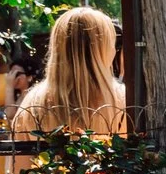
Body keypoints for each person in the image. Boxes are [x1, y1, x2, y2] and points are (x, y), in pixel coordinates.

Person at [13, 7, 126, 135]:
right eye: (111, 43)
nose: (113, 50)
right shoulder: (124, 101)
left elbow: (18, 154)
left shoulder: (33, 104)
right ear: (103, 50)